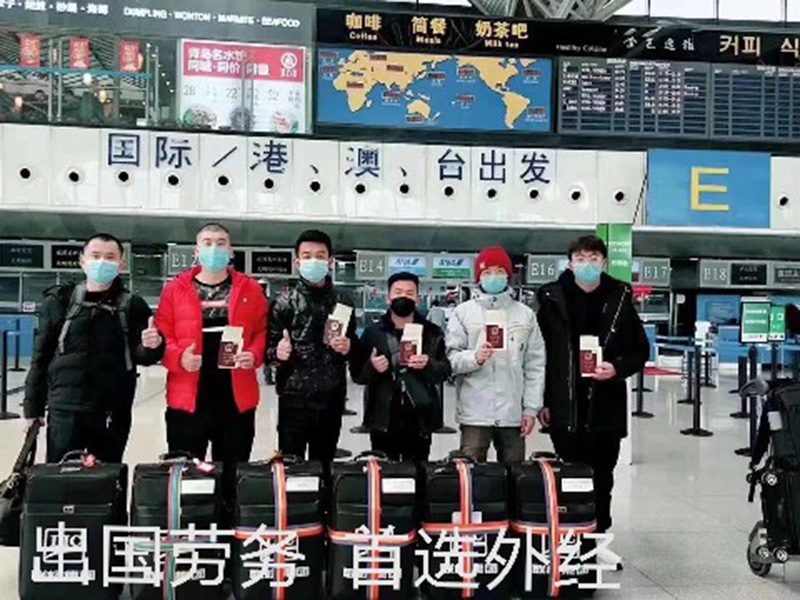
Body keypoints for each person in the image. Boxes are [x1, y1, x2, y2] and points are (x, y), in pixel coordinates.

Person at [537, 235, 649, 567]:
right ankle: (569, 539)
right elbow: (539, 356)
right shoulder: (551, 298)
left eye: (594, 258)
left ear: (604, 262)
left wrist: (617, 368)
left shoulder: (619, 298)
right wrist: (542, 401)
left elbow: (640, 350)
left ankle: (598, 539)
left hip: (605, 405)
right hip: (565, 403)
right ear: (570, 263)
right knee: (569, 476)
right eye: (581, 258)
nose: (587, 264)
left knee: (602, 478)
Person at [23, 233, 163, 463]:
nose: (102, 262)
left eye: (110, 257)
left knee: (106, 474)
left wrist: (152, 346)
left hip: (111, 409)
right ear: (82, 261)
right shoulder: (59, 302)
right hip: (64, 407)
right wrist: (32, 406)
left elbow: (143, 356)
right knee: (61, 473)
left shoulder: (132, 305)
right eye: (95, 256)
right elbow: (41, 357)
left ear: (121, 264)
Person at [155, 223, 267, 464]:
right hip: (187, 397)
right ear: (197, 251)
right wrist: (179, 358)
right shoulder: (175, 290)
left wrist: (254, 354)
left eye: (221, 243)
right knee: (188, 471)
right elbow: (163, 336)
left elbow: (262, 331)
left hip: (236, 398)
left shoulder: (250, 289)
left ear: (231, 251)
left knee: (233, 470)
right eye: (207, 243)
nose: (214, 248)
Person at [446, 246, 546, 465]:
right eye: (487, 272)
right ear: (479, 277)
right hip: (475, 412)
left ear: (508, 276)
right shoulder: (463, 313)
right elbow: (451, 359)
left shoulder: (525, 315)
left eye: (499, 271)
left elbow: (535, 365)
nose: (493, 277)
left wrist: (531, 408)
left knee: (515, 473)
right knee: (471, 473)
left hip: (513, 412)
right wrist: (475, 358)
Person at [266, 230, 358, 463]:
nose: (313, 261)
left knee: (325, 465)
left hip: (332, 396)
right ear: (297, 262)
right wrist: (278, 353)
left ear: (330, 261)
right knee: (291, 465)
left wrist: (349, 347)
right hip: (293, 397)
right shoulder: (283, 303)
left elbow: (355, 348)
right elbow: (267, 350)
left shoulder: (343, 301)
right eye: (307, 256)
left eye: (320, 256)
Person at [352, 272, 451, 462]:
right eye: (398, 292)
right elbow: (357, 375)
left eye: (409, 293)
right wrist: (372, 367)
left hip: (420, 419)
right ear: (388, 297)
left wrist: (428, 364)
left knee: (417, 472)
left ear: (417, 298)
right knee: (384, 473)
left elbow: (445, 371)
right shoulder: (373, 333)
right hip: (382, 417)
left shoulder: (432, 332)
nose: (403, 297)